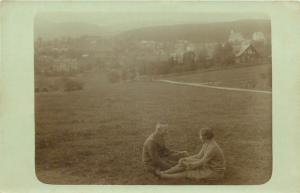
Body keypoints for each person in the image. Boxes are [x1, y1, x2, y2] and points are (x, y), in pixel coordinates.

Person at [156, 127, 226, 181]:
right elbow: (199, 156)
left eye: (200, 136)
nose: (200, 137)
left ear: (205, 137)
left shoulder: (212, 148)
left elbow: (202, 162)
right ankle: (165, 172)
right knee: (183, 163)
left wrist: (189, 165)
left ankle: (164, 176)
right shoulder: (207, 143)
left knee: (188, 173)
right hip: (207, 165)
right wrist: (186, 159)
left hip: (214, 172)